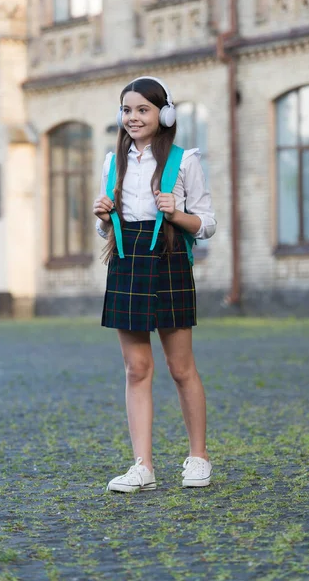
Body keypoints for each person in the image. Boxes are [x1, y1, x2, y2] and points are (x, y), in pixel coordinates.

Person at [93, 76, 216, 492]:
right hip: (127, 265)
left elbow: (207, 225)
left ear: (164, 115)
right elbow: (109, 229)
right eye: (127, 110)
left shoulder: (185, 161)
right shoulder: (114, 163)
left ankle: (198, 457)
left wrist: (177, 212)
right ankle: (142, 466)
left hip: (169, 263)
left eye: (143, 110)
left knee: (181, 368)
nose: (133, 118)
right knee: (136, 368)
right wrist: (103, 216)